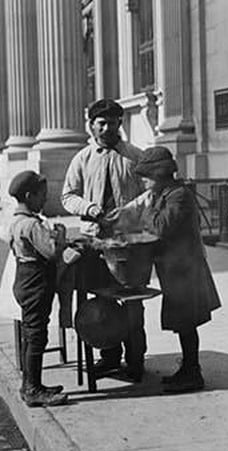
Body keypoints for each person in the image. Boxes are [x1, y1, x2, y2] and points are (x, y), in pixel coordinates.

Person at [108, 146, 221, 392]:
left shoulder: (178, 196)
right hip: (175, 271)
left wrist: (144, 211)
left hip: (186, 271)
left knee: (187, 323)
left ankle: (192, 373)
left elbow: (159, 228)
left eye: (146, 176)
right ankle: (188, 368)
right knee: (182, 323)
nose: (143, 181)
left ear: (159, 174)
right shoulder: (164, 195)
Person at [61, 98, 147, 382]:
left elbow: (151, 193)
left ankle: (135, 360)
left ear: (120, 124)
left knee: (133, 302)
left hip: (129, 245)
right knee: (101, 302)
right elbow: (68, 196)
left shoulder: (135, 156)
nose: (109, 128)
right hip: (96, 244)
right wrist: (89, 208)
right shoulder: (82, 159)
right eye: (102, 123)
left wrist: (131, 211)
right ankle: (108, 357)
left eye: (113, 123)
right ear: (92, 125)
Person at [6, 170, 68, 407]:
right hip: (36, 283)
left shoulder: (17, 221)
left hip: (24, 280)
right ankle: (33, 389)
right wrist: (60, 236)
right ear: (30, 195)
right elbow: (51, 252)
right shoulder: (32, 224)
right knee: (37, 336)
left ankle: (30, 385)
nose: (44, 200)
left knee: (30, 334)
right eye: (42, 195)